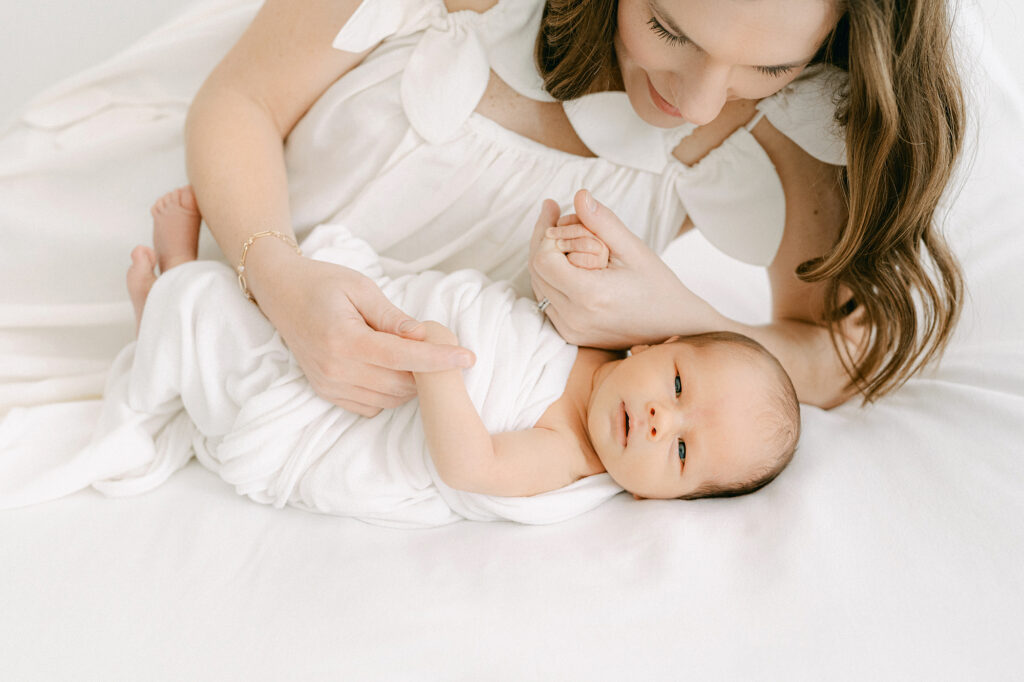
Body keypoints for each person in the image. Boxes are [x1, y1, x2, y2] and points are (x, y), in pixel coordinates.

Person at [184, 0, 964, 416]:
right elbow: (239, 101)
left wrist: (679, 316)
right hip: (201, 216)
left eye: (767, 64)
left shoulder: (793, 120)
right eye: (667, 27)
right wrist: (279, 280)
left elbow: (843, 355)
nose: (696, 103)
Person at [110, 187, 799, 524]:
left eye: (680, 453)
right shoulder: (605, 340)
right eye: (677, 387)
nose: (658, 421)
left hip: (348, 412)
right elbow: (544, 298)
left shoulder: (569, 454)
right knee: (287, 306)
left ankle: (167, 293)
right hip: (386, 314)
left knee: (210, 332)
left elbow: (473, 467)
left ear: (669, 497)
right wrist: (576, 251)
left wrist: (439, 370)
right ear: (659, 340)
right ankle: (184, 291)